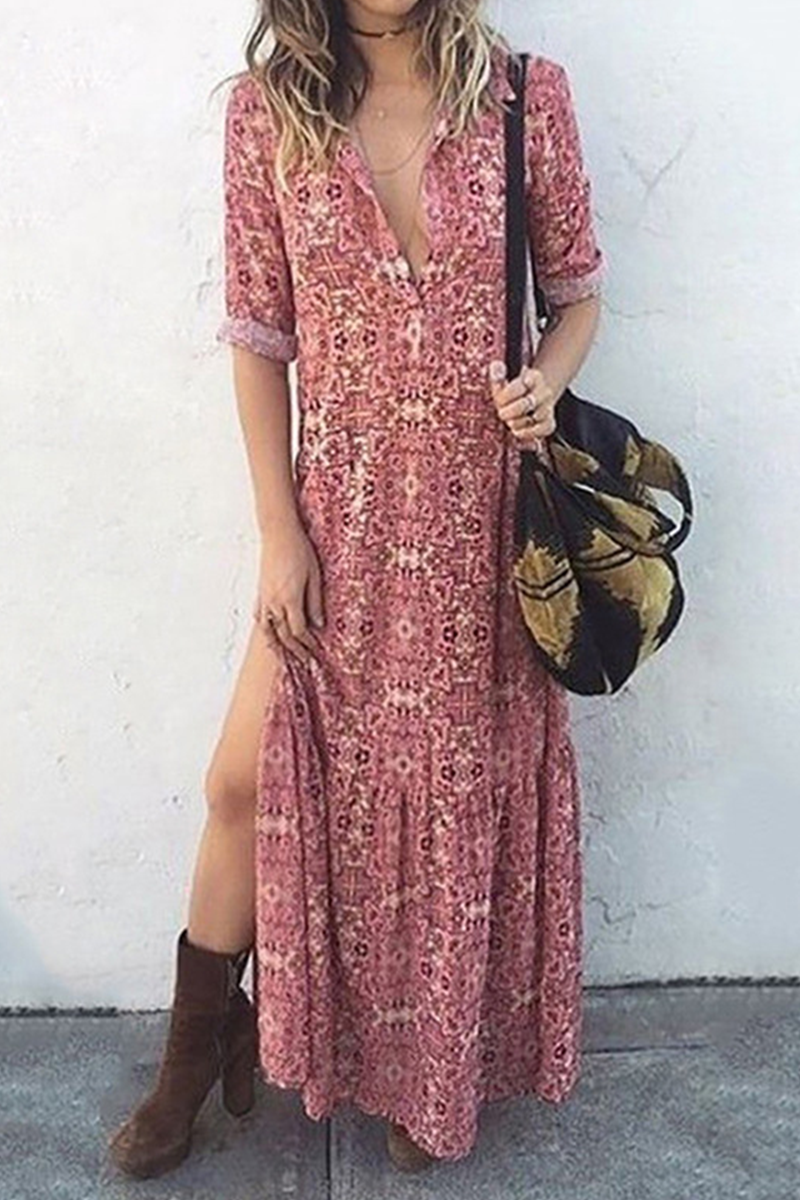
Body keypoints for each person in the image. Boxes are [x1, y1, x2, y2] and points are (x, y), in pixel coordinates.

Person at [106, 0, 606, 1179]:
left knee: (450, 804)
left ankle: (429, 1072)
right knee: (243, 783)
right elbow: (257, 341)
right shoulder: (266, 114)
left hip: (483, 525)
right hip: (337, 520)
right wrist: (278, 533)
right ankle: (199, 1046)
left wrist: (542, 382)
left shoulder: (523, 97)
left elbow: (577, 293)